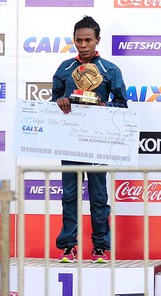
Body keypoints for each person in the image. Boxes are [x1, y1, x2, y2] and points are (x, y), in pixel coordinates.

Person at [52, 16, 127, 264]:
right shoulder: (64, 68)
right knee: (69, 195)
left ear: (97, 41)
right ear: (73, 40)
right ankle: (68, 247)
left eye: (88, 40)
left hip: (97, 143)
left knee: (98, 196)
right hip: (70, 142)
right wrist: (59, 102)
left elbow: (122, 105)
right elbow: (52, 104)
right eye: (78, 40)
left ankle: (100, 247)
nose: (83, 45)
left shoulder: (110, 70)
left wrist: (104, 105)